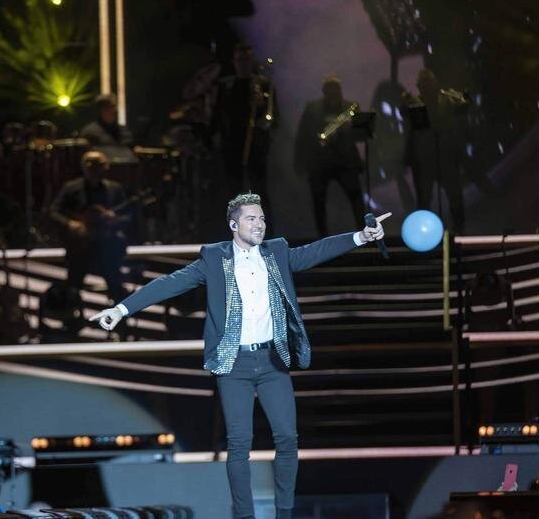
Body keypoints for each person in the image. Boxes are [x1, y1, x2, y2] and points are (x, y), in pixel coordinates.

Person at [89, 192, 388, 519]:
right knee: (239, 445)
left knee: (287, 438)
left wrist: (360, 237)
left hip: (273, 361)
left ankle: (284, 514)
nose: (259, 224)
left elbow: (316, 251)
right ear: (234, 225)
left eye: (261, 218)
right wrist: (121, 309)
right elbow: (170, 283)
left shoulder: (276, 252)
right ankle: (245, 516)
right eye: (251, 219)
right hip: (234, 364)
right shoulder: (214, 259)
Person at [48, 150, 128, 304]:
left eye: (97, 164)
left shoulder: (115, 188)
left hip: (107, 244)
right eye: (89, 163)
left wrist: (114, 219)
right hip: (80, 245)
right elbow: (54, 211)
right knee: (74, 283)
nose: (92, 167)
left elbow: (129, 217)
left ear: (106, 166)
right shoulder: (71, 187)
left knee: (115, 283)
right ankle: (71, 313)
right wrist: (71, 224)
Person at [294, 75, 366, 236]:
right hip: (319, 162)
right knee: (319, 203)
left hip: (346, 162)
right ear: (324, 91)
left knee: (356, 200)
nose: (333, 93)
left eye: (336, 89)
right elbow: (302, 136)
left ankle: (365, 236)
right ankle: (323, 240)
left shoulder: (351, 107)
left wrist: (350, 128)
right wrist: (300, 162)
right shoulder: (312, 108)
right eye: (330, 89)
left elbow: (361, 135)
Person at [213, 44, 277, 215]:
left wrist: (262, 105)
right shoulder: (226, 86)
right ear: (234, 62)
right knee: (233, 191)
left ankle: (266, 233)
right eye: (240, 60)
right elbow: (218, 114)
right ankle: (235, 231)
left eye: (247, 60)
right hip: (232, 143)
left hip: (256, 143)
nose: (243, 64)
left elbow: (274, 117)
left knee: (259, 189)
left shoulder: (263, 84)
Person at [402, 69, 468, 233]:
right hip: (424, 158)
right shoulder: (415, 103)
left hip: (446, 155)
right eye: (423, 84)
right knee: (424, 200)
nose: (426, 86)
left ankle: (459, 231)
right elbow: (410, 129)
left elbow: (464, 108)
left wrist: (463, 98)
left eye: (428, 82)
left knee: (455, 196)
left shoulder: (447, 99)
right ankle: (424, 233)